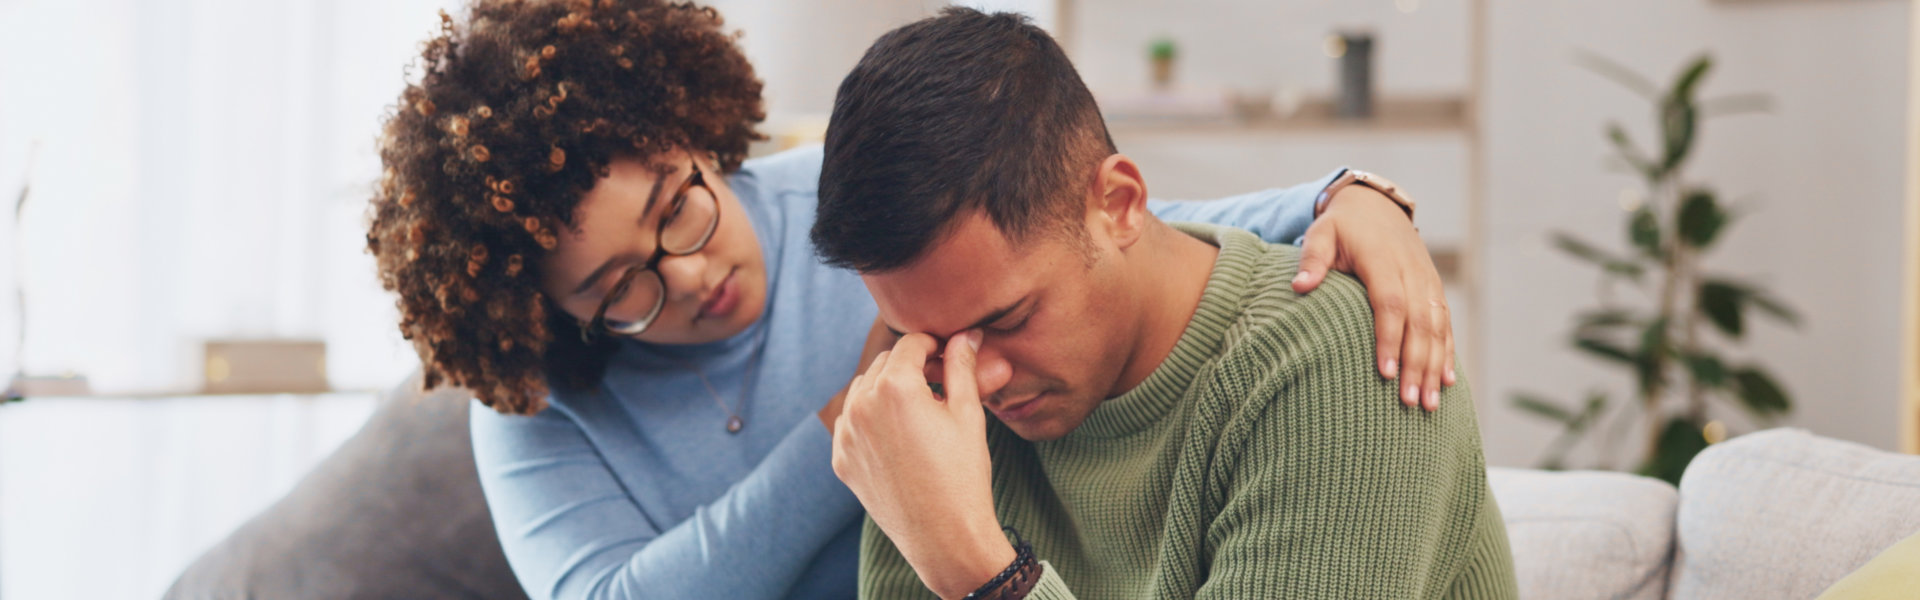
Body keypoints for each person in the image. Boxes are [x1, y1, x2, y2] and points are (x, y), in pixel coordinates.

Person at [364, 1, 1458, 599]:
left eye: (680, 209)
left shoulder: (886, 239)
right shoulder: (937, 404)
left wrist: (1342, 195)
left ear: (696, 137)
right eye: (623, 289)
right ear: (559, 320)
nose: (688, 274)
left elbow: (1108, 221)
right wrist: (859, 440)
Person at [815, 8, 1516, 599]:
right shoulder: (929, 401)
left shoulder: (1334, 366)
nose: (980, 379)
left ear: (1118, 206)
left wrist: (984, 571)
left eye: (1008, 320)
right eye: (930, 340)